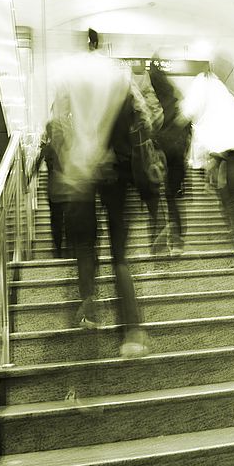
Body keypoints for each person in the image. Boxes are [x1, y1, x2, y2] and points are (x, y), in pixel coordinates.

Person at [52, 27, 149, 357]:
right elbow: (145, 115)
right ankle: (133, 330)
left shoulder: (69, 71)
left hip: (80, 168)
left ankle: (89, 305)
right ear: (102, 44)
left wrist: (71, 154)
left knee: (85, 243)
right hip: (116, 169)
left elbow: (58, 120)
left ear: (82, 44)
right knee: (120, 253)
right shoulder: (119, 72)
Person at [182, 57, 234, 251]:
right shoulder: (226, 94)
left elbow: (190, 112)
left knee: (228, 194)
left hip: (223, 151)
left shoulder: (204, 82)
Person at [148, 58, 192, 255]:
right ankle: (176, 239)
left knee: (163, 197)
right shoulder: (177, 108)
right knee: (170, 197)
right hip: (173, 157)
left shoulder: (164, 107)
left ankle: (166, 240)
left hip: (165, 155)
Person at [39, 115, 70, 258]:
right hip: (68, 189)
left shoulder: (47, 148)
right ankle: (69, 249)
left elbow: (34, 167)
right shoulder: (69, 147)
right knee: (68, 220)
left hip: (54, 190)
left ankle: (58, 250)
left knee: (56, 220)